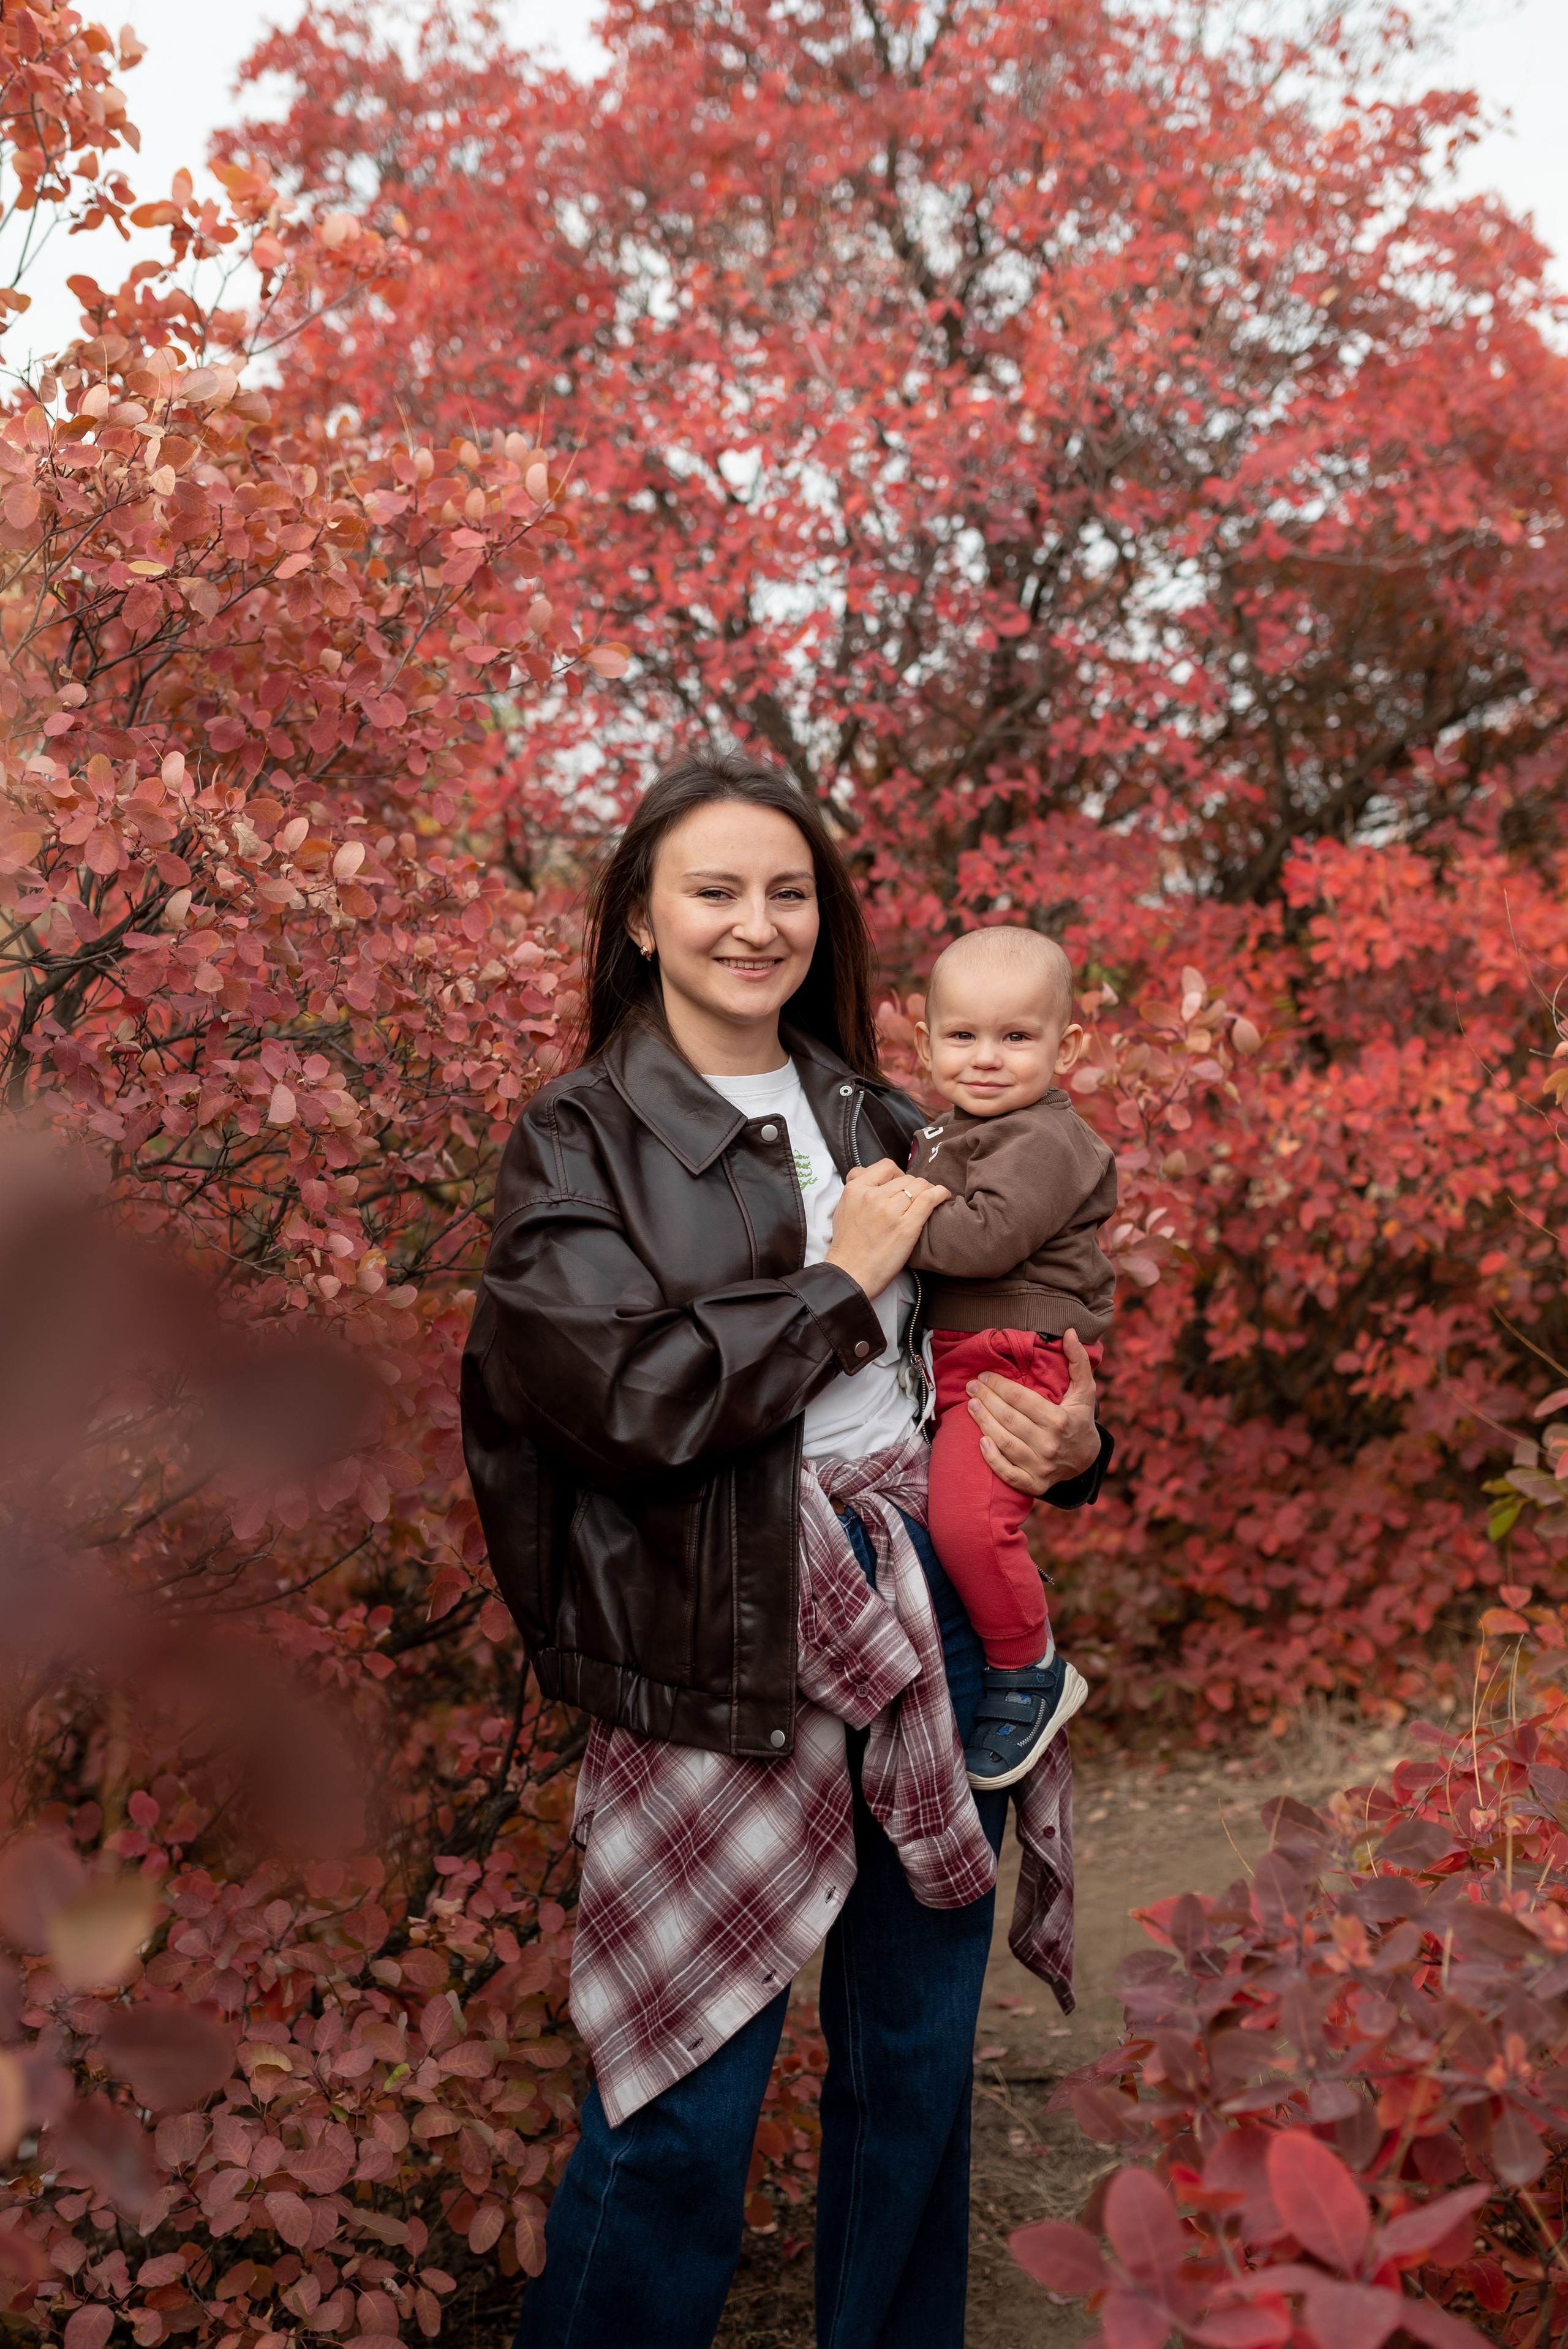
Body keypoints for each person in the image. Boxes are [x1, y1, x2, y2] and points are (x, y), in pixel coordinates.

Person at [461, 748, 1111, 2349]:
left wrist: (1085, 1443)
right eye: (715, 888)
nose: (758, 923)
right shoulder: (580, 1139)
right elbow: (604, 1401)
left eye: (789, 890)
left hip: (926, 1622)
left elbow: (1020, 1322)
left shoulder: (888, 1110)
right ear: (638, 914)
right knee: (680, 2091)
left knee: (911, 2071)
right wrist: (835, 1283)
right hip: (715, 1637)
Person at [906, 927, 1117, 1790]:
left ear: (1066, 1047)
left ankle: (1028, 1667)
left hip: (1011, 1359)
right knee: (953, 1518)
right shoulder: (948, 1129)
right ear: (924, 1042)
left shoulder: (1042, 1138)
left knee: (969, 1523)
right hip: (966, 1352)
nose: (986, 1058)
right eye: (962, 1036)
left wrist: (881, 1211)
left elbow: (986, 1237)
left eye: (1016, 1037)